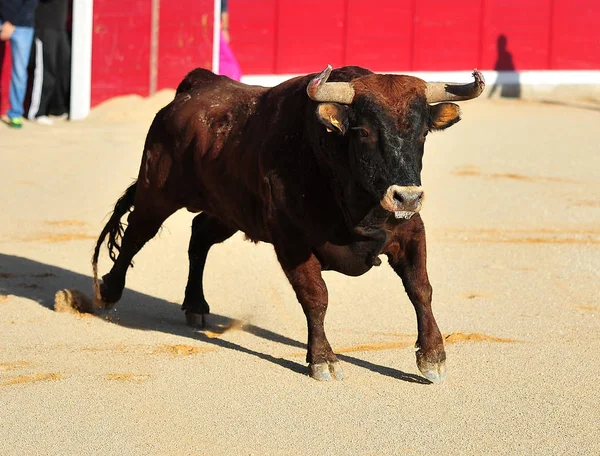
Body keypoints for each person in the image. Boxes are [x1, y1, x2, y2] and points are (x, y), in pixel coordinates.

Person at [27, 0, 70, 125]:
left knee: (63, 68)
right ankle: (37, 112)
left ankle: (57, 109)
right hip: (44, 27)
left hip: (59, 28)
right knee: (46, 70)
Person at [0, 0, 38, 128]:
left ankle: (15, 114)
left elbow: (31, 3)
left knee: (19, 72)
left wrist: (12, 24)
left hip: (22, 25)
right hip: (1, 20)